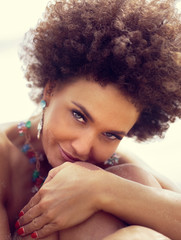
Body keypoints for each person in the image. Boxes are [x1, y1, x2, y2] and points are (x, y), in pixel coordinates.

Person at [0, 0, 181, 239]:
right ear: (50, 90)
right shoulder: (4, 157)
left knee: (132, 179)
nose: (83, 147)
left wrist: (101, 188)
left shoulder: (112, 164)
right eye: (79, 116)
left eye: (111, 134)